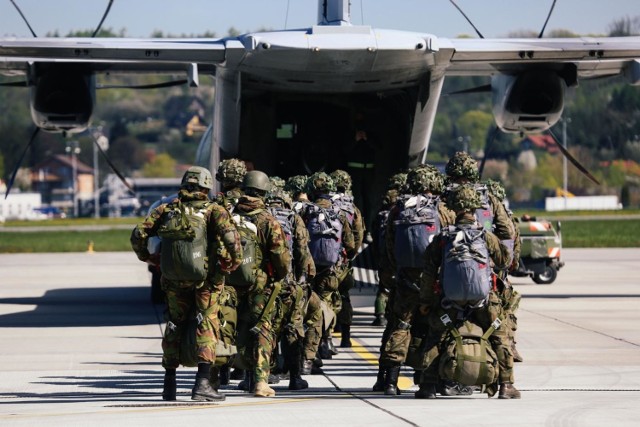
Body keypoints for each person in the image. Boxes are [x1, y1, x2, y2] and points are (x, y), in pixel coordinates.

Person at [130, 166, 243, 402]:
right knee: (207, 325)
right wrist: (233, 263)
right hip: (206, 282)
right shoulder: (215, 210)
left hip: (173, 280)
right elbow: (232, 241)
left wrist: (147, 258)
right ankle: (202, 384)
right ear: (206, 186)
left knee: (174, 324)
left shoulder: (166, 209)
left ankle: (168, 383)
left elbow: (139, 233)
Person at [417, 184, 520, 399]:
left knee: (436, 335)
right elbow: (504, 261)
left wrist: (426, 301)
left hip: (449, 303)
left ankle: (427, 386)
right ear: (475, 208)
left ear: (454, 208)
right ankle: (506, 386)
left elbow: (428, 273)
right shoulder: (486, 237)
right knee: (500, 335)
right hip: (483, 302)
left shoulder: (442, 239)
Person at [376, 164, 454, 396]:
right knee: (434, 328)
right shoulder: (443, 210)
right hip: (434, 282)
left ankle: (390, 381)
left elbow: (389, 245)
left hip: (406, 281)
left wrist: (396, 273)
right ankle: (427, 382)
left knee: (400, 326)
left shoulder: (399, 210)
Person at [231, 170, 292, 397]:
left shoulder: (228, 215)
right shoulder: (267, 220)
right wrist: (277, 276)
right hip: (259, 284)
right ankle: (259, 382)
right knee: (262, 329)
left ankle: (214, 379)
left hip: (230, 284)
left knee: (229, 328)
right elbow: (281, 257)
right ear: (264, 191)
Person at [302, 172, 356, 359]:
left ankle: (308, 355)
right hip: (331, 270)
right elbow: (351, 245)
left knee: (307, 308)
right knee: (326, 305)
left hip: (308, 270)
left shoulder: (305, 212)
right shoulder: (339, 213)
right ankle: (325, 341)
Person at [265, 187, 315, 390]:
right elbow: (302, 251)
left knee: (265, 327)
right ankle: (295, 377)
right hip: (288, 283)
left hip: (265, 284)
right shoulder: (294, 218)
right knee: (292, 328)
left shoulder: (262, 217)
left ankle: (265, 374)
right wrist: (300, 279)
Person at [329, 169, 365, 348]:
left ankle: (325, 340)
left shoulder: (325, 205)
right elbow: (358, 235)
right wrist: (350, 255)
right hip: (343, 260)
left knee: (326, 298)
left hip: (327, 261)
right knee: (344, 296)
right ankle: (346, 337)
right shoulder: (352, 208)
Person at [370, 172, 407, 327]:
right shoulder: (405, 208)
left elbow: (373, 232)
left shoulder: (382, 214)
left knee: (383, 288)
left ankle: (380, 316)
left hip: (385, 255)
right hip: (400, 256)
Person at [345, 112, 378, 231]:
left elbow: (379, 146)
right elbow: (344, 149)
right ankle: (355, 228)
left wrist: (367, 138)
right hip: (354, 172)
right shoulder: (349, 133)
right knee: (355, 200)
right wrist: (355, 139)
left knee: (368, 201)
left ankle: (367, 229)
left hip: (368, 171)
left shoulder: (371, 134)